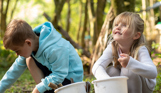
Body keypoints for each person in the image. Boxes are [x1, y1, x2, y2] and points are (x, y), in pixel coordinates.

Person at [0, 19, 84, 93]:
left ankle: (44, 90)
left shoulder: (54, 48)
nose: (17, 54)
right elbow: (14, 70)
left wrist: (37, 89)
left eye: (17, 50)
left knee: (29, 60)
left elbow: (60, 74)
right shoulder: (30, 47)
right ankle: (45, 90)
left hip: (71, 79)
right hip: (55, 74)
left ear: (28, 43)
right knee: (29, 60)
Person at [92, 12, 157, 93]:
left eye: (124, 25)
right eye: (116, 25)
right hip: (124, 84)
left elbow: (153, 72)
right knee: (112, 71)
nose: (118, 27)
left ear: (136, 35)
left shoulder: (140, 49)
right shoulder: (112, 46)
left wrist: (130, 63)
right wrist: (107, 80)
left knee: (128, 70)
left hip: (144, 87)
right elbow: (97, 66)